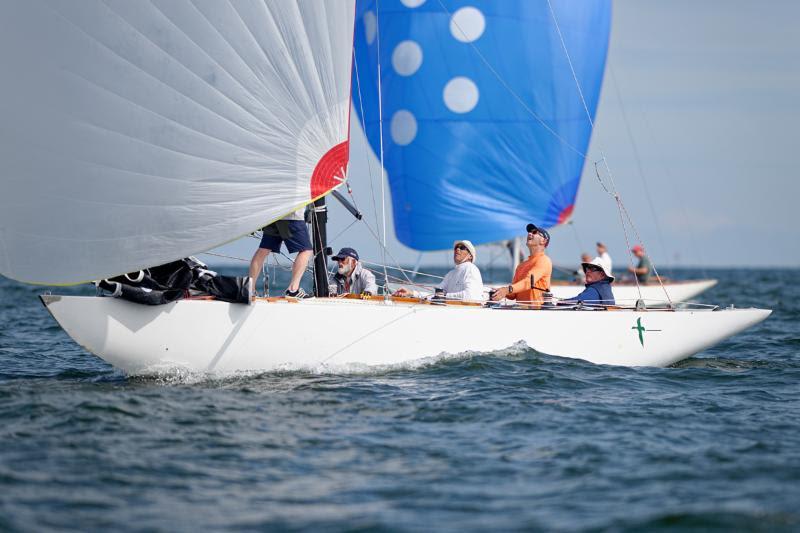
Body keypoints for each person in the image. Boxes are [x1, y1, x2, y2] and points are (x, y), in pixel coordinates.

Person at [249, 209, 312, 298]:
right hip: (292, 217)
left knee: (263, 250)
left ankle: (249, 289)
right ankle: (293, 290)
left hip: (274, 216)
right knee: (306, 250)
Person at [394, 240, 484, 301]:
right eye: (456, 247)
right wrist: (411, 293)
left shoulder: (471, 269)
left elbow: (471, 296)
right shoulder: (451, 274)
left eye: (462, 248)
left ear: (470, 256)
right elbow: (435, 294)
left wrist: (444, 296)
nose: (457, 249)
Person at [490, 224, 552, 306]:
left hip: (537, 312)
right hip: (521, 311)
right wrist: (499, 291)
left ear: (543, 241)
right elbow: (513, 295)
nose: (530, 234)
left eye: (534, 232)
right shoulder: (521, 266)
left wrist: (507, 290)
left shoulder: (544, 260)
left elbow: (528, 282)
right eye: (529, 232)